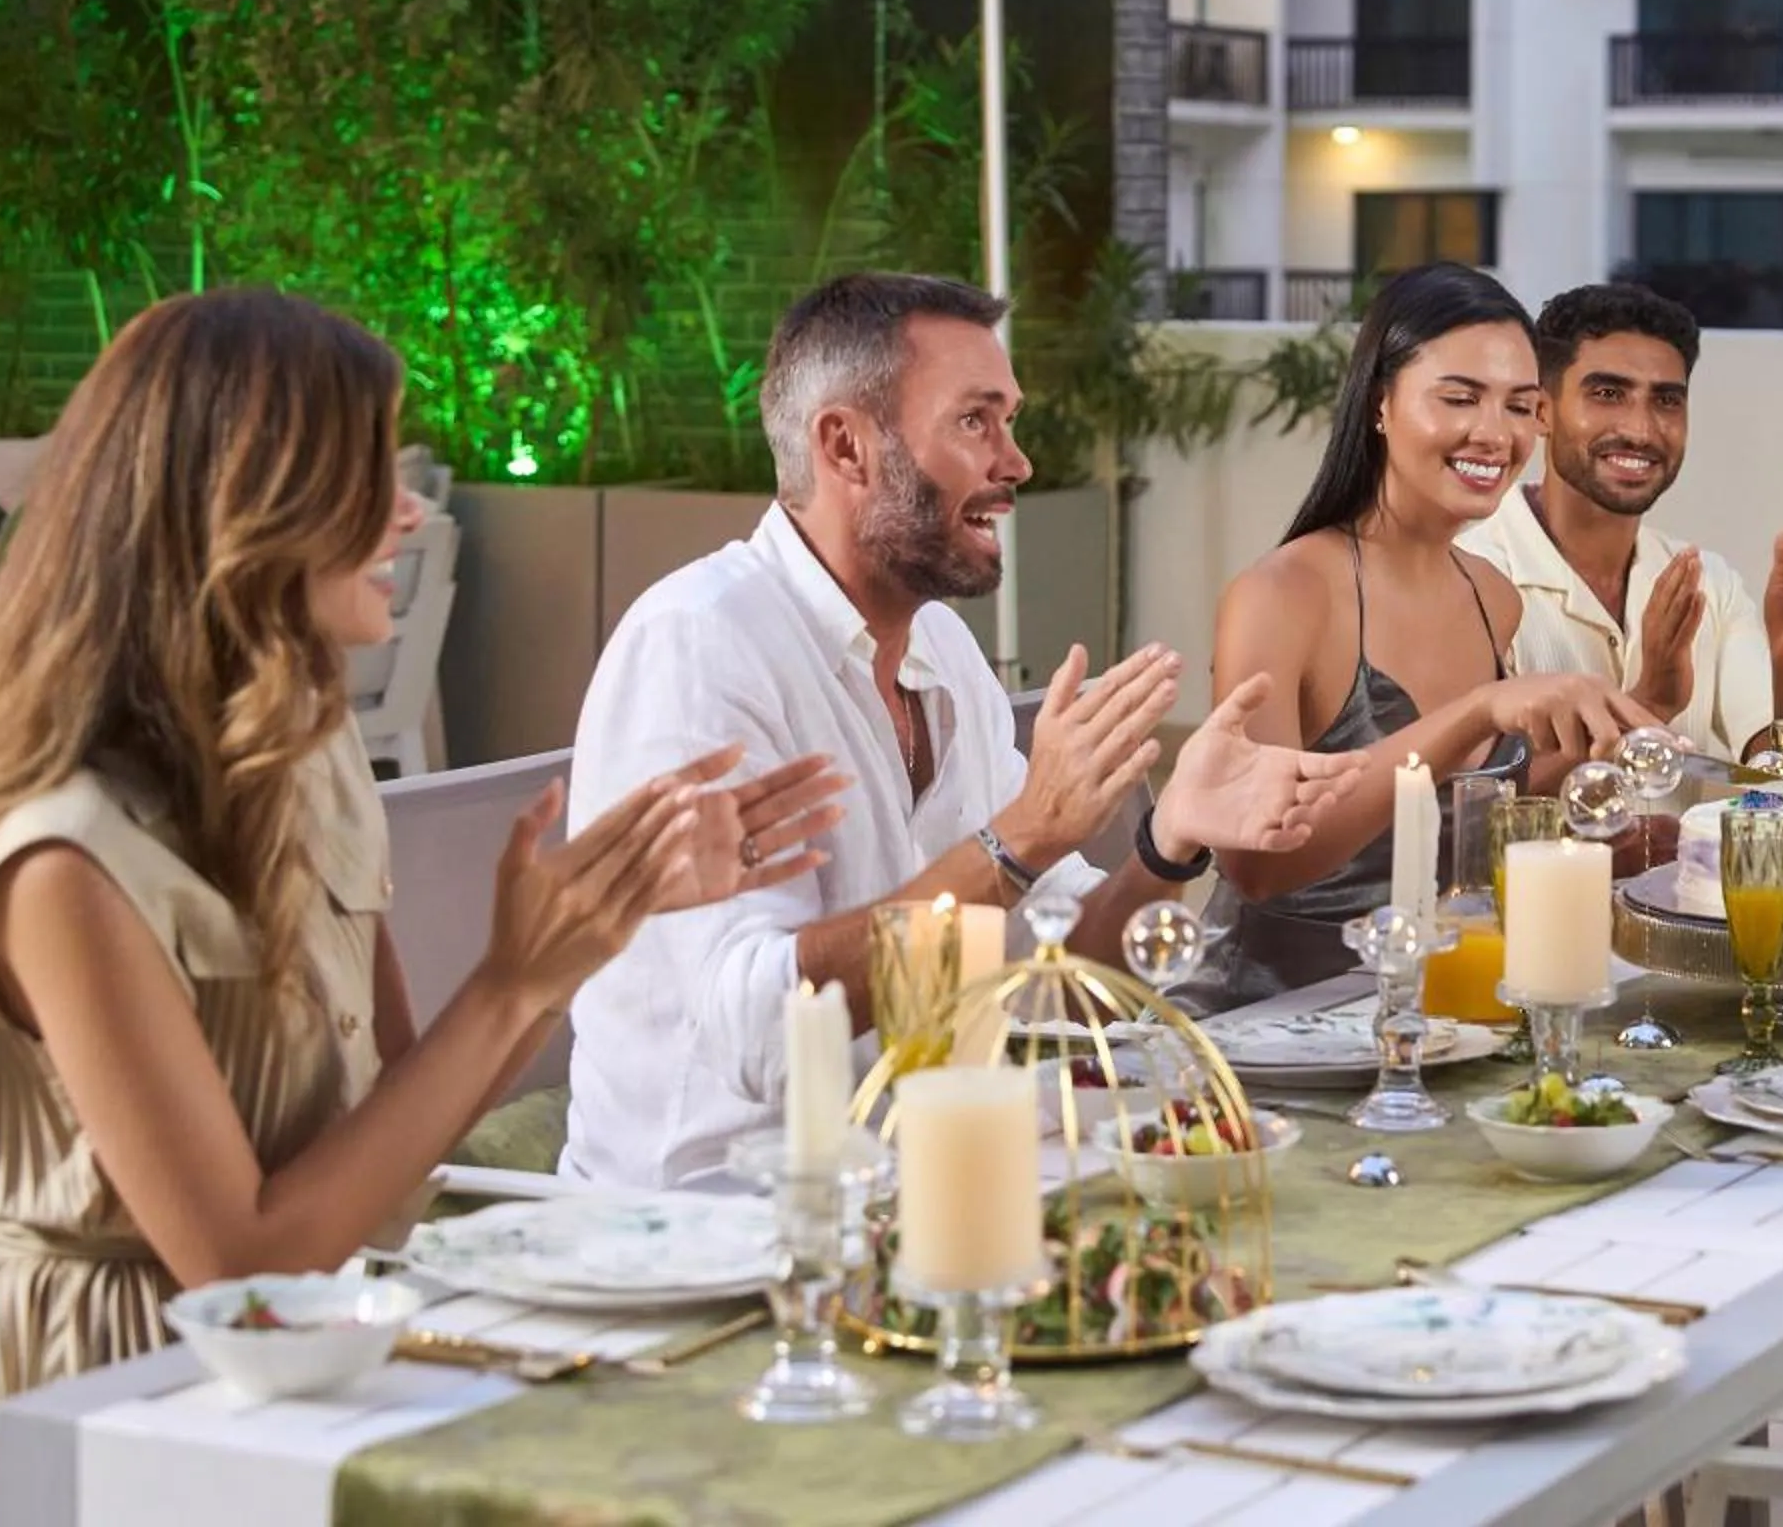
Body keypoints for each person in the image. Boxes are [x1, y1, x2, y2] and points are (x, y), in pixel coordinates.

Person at [0, 292, 841, 1527]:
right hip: (114, 1408)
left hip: (316, 1371)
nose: (406, 508)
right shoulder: (63, 862)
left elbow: (385, 1143)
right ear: (245, 507)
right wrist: (516, 982)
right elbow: (247, 1261)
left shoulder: (311, 756)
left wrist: (583, 935)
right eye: (363, 474)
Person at [562, 274, 1359, 1187]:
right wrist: (1017, 840)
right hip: (716, 1229)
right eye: (976, 422)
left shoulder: (936, 644)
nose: (1015, 462)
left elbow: (1059, 972)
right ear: (846, 446)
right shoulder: (701, 643)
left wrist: (1171, 841)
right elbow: (756, 1034)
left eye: (1008, 421)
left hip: (926, 1186)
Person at [1194, 265, 1663, 1005]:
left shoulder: (1491, 596)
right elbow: (1256, 860)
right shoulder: (1282, 595)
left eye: (1519, 406)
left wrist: (1618, 748)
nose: (1494, 434)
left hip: (1439, 1004)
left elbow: (1462, 809)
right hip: (1270, 1026)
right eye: (1459, 398)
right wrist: (1476, 712)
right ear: (1381, 402)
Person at [1462, 282, 1783, 762]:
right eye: (1607, 393)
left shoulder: (1711, 585)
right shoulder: (1471, 575)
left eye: (1667, 401)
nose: (1640, 430)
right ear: (1541, 410)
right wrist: (1649, 704)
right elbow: (1472, 799)